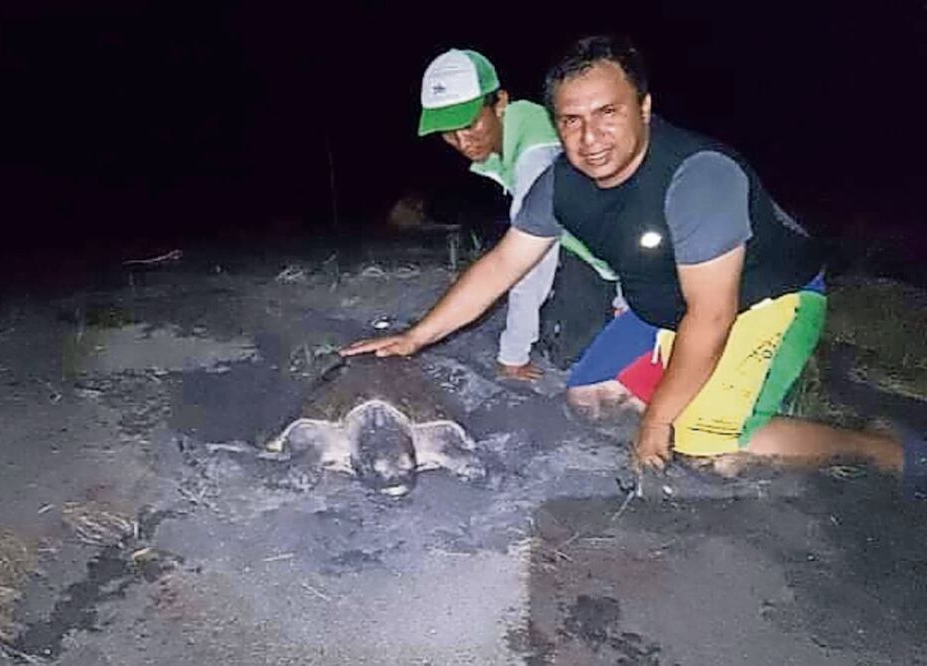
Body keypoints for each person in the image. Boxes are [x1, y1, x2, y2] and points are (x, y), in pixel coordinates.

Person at [345, 35, 926, 496]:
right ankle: (698, 392)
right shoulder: (561, 183)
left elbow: (714, 313)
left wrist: (661, 422)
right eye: (571, 120)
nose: (590, 137)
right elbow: (503, 264)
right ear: (555, 122)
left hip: (765, 301)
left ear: (644, 108)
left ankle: (878, 447)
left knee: (705, 451)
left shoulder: (697, 176)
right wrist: (415, 337)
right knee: (588, 396)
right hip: (669, 304)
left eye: (607, 113)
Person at [418, 48, 617, 381]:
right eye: (448, 131)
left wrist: (513, 353)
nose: (461, 141)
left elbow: (530, 263)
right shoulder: (524, 122)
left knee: (572, 363)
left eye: (469, 124)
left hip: (618, 262)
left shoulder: (536, 156)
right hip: (580, 242)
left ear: (500, 103)